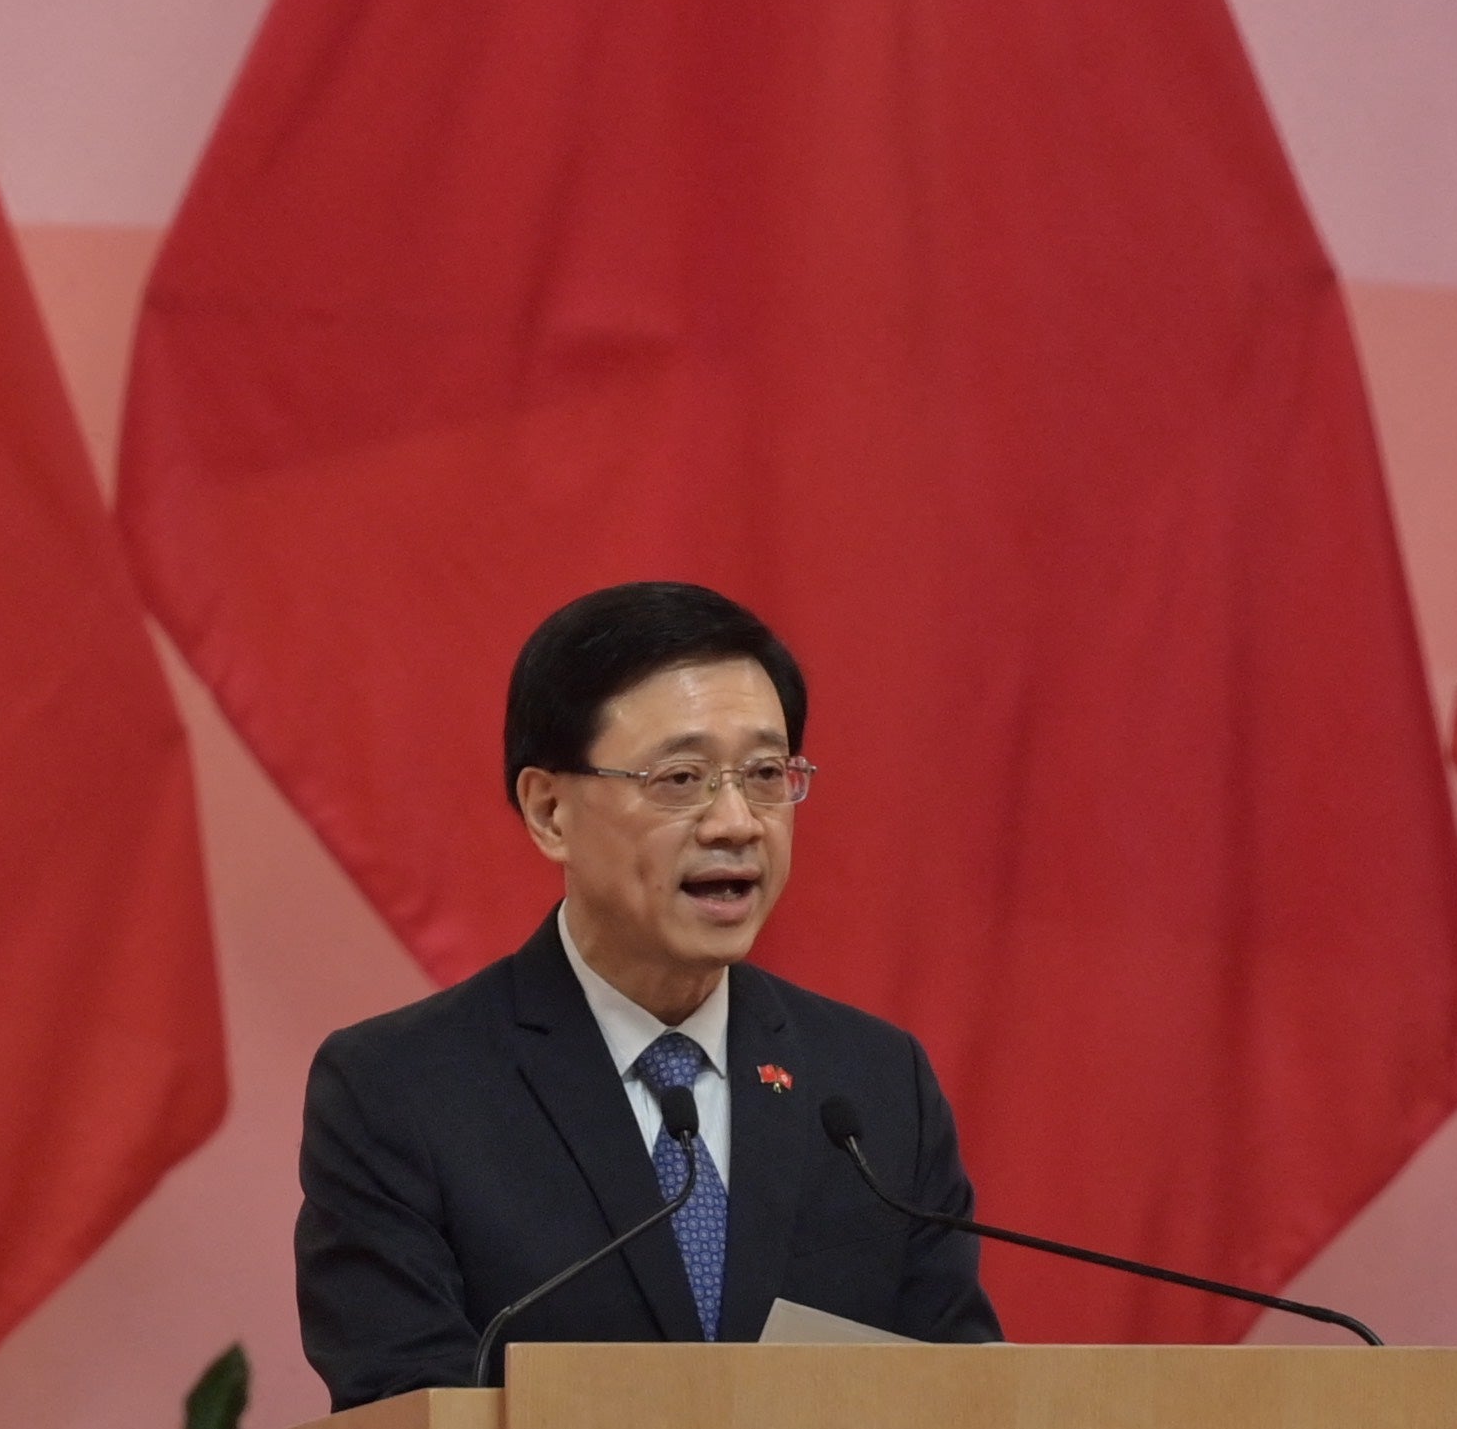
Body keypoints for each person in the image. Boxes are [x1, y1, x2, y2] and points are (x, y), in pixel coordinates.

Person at [294, 580, 1002, 1407]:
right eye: (681, 776)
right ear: (550, 809)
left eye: (766, 773)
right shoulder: (399, 1088)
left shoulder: (874, 1085)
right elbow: (404, 1393)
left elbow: (959, 1390)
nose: (736, 820)